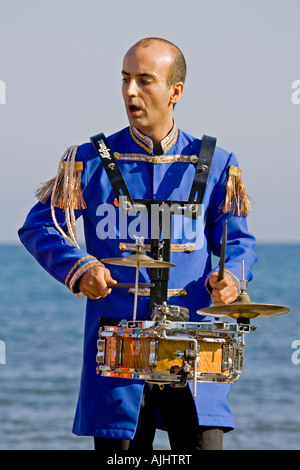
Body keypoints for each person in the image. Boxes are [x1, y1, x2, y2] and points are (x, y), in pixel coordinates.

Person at [19, 37, 257, 451]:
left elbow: (238, 242)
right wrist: (79, 268)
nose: (130, 91)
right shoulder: (87, 161)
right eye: (125, 79)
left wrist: (232, 280)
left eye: (145, 80)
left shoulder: (218, 163)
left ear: (175, 91)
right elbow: (40, 227)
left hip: (196, 355)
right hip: (118, 359)